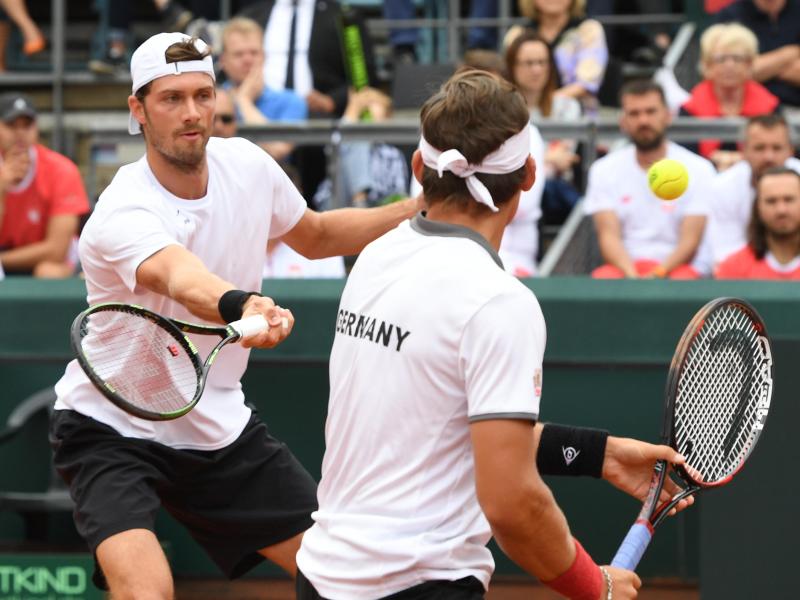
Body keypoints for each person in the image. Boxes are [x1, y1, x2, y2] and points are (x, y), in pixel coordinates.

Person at [295, 68, 692, 600]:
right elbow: (511, 502)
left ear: (419, 167)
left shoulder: (375, 256)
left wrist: (599, 455)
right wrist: (592, 585)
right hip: (418, 586)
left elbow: (438, 425)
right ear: (529, 176)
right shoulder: (499, 301)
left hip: (321, 579)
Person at [50, 32, 420, 598]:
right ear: (138, 110)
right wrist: (242, 303)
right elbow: (178, 275)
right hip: (111, 425)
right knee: (147, 590)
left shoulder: (248, 165)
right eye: (171, 99)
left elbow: (317, 236)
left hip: (215, 425)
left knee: (343, 578)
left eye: (203, 94)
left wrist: (418, 209)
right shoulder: (122, 208)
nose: (192, 112)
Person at [585, 80, 716, 279]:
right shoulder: (602, 170)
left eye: (651, 111)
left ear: (668, 115)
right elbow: (608, 235)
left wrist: (657, 274)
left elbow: (691, 240)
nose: (643, 121)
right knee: (603, 278)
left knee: (684, 278)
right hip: (625, 269)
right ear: (623, 121)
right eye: (634, 114)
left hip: (678, 269)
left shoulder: (699, 169)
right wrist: (632, 275)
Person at [0, 92, 89, 278]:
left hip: (49, 260)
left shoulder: (61, 169)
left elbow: (56, 250)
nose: (20, 133)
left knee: (48, 272)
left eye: (27, 125)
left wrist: (2, 259)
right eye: (11, 125)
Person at [505, 28, 582, 225]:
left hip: (554, 190)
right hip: (513, 190)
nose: (537, 70)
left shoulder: (568, 106)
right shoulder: (500, 109)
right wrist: (547, 158)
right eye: (529, 63)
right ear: (512, 66)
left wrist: (525, 162)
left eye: (542, 62)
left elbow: (563, 159)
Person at [679, 22, 779, 169]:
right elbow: (683, 158)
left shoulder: (771, 108)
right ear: (707, 65)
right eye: (721, 59)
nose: (729, 65)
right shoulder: (689, 110)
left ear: (750, 64)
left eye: (737, 58)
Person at [708, 113, 800, 266]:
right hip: (744, 278)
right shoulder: (722, 187)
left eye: (777, 148)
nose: (768, 157)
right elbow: (723, 253)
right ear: (744, 151)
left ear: (791, 150)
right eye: (759, 148)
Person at [218, 16, 306, 160]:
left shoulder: (292, 101)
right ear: (223, 61)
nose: (247, 60)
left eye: (254, 53)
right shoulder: (213, 99)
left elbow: (278, 149)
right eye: (238, 54)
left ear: (264, 57)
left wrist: (244, 100)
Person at [313, 87, 409, 211]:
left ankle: (360, 204)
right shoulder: (343, 144)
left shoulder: (392, 154)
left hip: (378, 210)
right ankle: (360, 202)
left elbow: (399, 195)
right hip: (339, 205)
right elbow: (331, 147)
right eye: (363, 114)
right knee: (355, 138)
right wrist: (352, 111)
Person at [512, 0, 609, 115]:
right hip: (524, 112)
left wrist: (546, 104)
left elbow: (587, 83)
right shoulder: (518, 33)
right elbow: (509, 79)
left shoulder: (589, 29)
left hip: (579, 118)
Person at [716, 166, 800, 278]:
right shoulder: (733, 268)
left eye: (789, 199)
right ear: (757, 206)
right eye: (771, 201)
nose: (781, 210)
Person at [716, 0, 800, 107]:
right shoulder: (731, 15)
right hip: (747, 111)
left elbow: (743, 69)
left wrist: (763, 68)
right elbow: (724, 71)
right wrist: (789, 54)